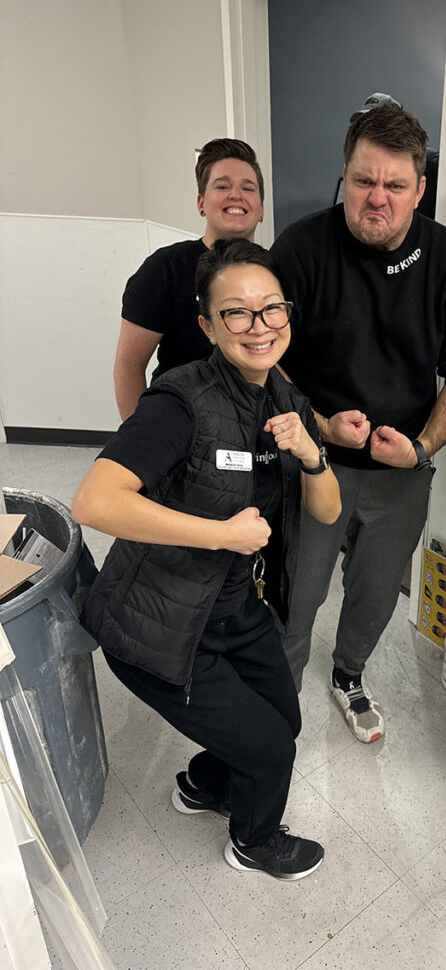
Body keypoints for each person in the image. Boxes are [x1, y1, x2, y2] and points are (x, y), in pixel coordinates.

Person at [73, 239, 341, 880]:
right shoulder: (180, 400)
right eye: (237, 314)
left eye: (271, 309)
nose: (259, 326)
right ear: (207, 327)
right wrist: (219, 534)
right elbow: (93, 502)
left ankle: (205, 782)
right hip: (157, 622)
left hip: (232, 605)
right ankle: (255, 842)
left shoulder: (282, 397)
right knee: (273, 748)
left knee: (285, 716)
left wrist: (312, 453)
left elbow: (328, 511)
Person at [271, 104, 446, 741]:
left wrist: (420, 449)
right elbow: (265, 359)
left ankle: (348, 676)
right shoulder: (302, 247)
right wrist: (317, 424)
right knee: (299, 591)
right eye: (364, 182)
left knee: (374, 593)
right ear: (345, 176)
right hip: (317, 461)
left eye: (395, 186)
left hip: (401, 470)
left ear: (420, 188)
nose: (376, 199)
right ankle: (278, 697)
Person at [114, 138, 265, 420]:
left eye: (248, 188)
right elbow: (129, 365)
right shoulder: (165, 268)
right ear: (201, 203)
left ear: (261, 209)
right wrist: (141, 440)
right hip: (181, 422)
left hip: (254, 428)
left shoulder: (273, 273)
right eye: (222, 186)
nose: (236, 195)